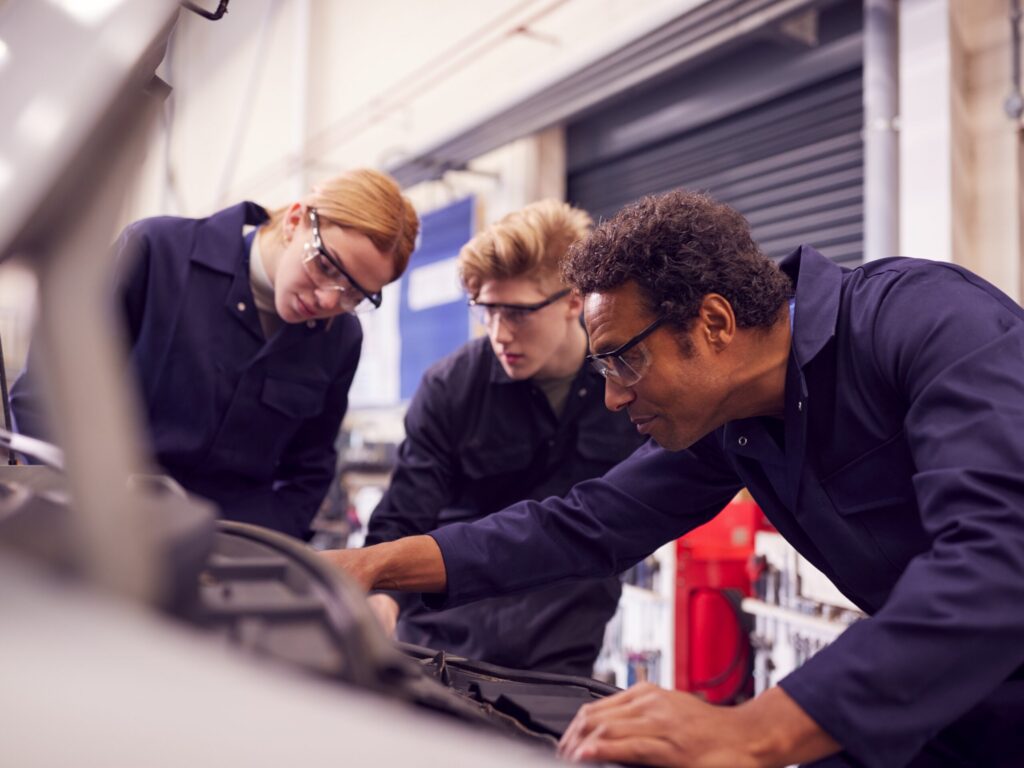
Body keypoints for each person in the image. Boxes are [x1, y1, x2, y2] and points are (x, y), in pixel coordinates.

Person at [322, 188, 1024, 767]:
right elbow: (584, 524)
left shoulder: (928, 323)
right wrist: (372, 566)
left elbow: (999, 559)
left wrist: (751, 728)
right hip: (942, 695)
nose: (615, 397)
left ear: (714, 322)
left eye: (624, 362)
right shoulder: (734, 422)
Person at [12, 169, 419, 541]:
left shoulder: (340, 338)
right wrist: (68, 507)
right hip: (103, 531)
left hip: (230, 554)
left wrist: (263, 542)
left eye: (355, 294)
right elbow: (46, 396)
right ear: (296, 220)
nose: (330, 298)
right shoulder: (158, 253)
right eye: (328, 266)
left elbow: (310, 469)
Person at [363, 200, 644, 676]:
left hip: (563, 648)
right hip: (443, 640)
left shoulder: (630, 385)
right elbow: (405, 512)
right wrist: (381, 600)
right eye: (487, 312)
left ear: (573, 300)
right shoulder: (451, 387)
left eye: (517, 314)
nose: (499, 335)